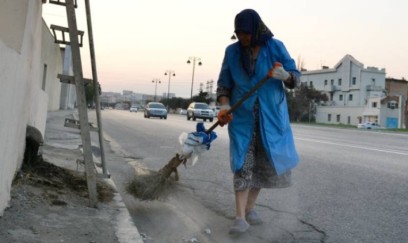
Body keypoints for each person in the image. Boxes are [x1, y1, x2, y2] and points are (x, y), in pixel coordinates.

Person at [216, 9, 300, 234]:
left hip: (271, 118)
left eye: (246, 32)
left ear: (256, 30)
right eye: (239, 33)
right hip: (242, 118)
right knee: (243, 164)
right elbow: (224, 85)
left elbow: (295, 77)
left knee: (263, 165)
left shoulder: (275, 47)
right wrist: (224, 105)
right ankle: (240, 217)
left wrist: (285, 75)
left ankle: (250, 208)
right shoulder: (232, 52)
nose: (242, 37)